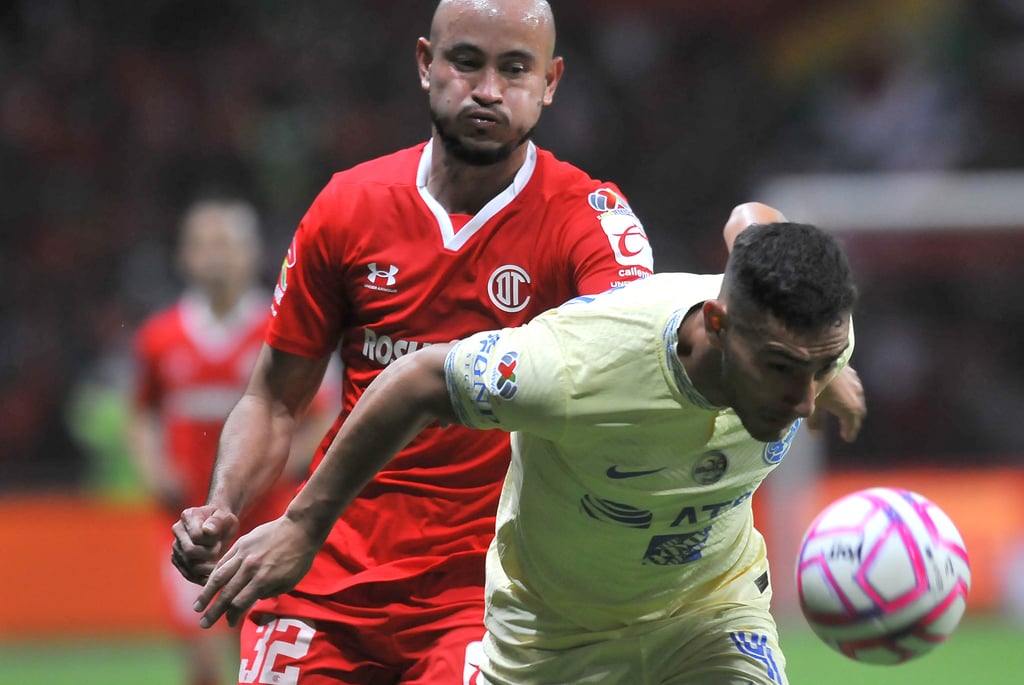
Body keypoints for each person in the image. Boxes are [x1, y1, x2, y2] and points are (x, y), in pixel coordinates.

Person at [171, 1, 863, 682]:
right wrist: (223, 502)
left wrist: (808, 363)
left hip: (484, 596)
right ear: (425, 63)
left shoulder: (588, 222)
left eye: (515, 69)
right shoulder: (347, 208)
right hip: (325, 567)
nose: (488, 90)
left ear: (551, 83)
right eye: (466, 63)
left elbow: (645, 334)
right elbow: (273, 399)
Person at [191, 220, 858, 685]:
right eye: (781, 370)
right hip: (551, 635)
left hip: (711, 611)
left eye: (820, 368)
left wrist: (828, 375)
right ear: (717, 322)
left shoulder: (809, 333)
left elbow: (756, 228)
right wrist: (307, 524)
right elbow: (420, 378)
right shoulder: (576, 363)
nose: (803, 401)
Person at [129, 198, 336, 685]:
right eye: (201, 244)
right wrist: (152, 468)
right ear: (183, 255)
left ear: (251, 253)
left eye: (224, 243)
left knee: (260, 652)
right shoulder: (160, 337)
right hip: (188, 524)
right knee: (201, 660)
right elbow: (141, 413)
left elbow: (324, 416)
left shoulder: (282, 328)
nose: (213, 256)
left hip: (266, 520)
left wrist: (283, 469)